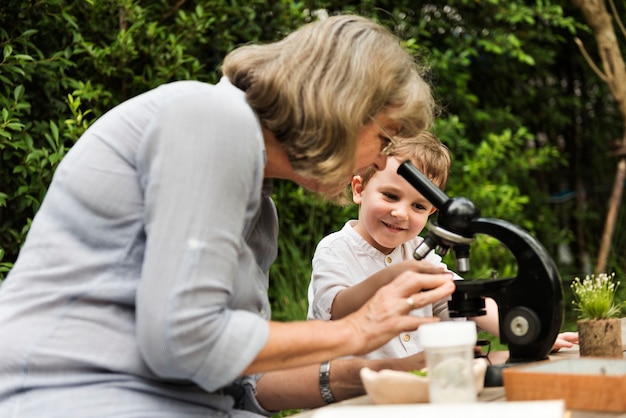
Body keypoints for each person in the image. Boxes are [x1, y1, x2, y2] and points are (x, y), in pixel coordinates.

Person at [0, 14, 457, 417]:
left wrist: (377, 374)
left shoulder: (258, 202)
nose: (381, 162)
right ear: (344, 109)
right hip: (71, 395)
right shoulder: (213, 120)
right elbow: (185, 341)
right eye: (385, 138)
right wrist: (357, 330)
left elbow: (237, 382)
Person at [308, 132, 579, 359]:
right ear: (359, 189)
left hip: (416, 386)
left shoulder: (420, 254)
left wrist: (529, 335)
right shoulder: (335, 249)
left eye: (418, 206)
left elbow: (463, 298)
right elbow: (335, 309)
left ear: (432, 211)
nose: (401, 213)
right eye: (390, 196)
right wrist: (390, 278)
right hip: (351, 391)